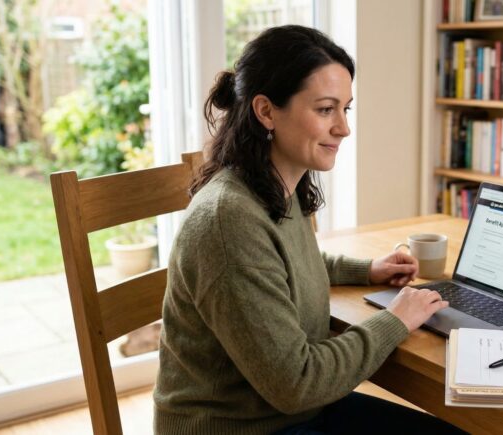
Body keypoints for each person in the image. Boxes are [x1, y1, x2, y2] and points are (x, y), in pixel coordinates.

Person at [153, 25, 466, 435]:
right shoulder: (228, 220)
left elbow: (283, 262)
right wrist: (395, 319)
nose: (343, 128)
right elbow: (298, 383)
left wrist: (366, 269)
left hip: (287, 413)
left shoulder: (275, 186)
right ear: (266, 111)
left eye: (345, 109)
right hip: (239, 425)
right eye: (324, 110)